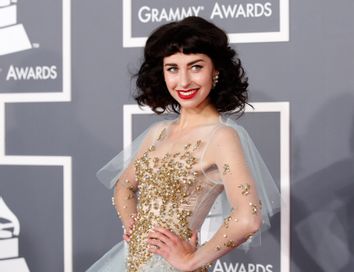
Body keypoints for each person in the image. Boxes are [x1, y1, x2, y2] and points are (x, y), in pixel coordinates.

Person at [87, 16, 280, 272]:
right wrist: (135, 227)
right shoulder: (158, 132)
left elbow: (248, 218)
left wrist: (193, 260)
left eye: (196, 67)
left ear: (216, 71)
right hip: (131, 262)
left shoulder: (221, 136)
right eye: (173, 69)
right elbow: (124, 186)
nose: (184, 81)